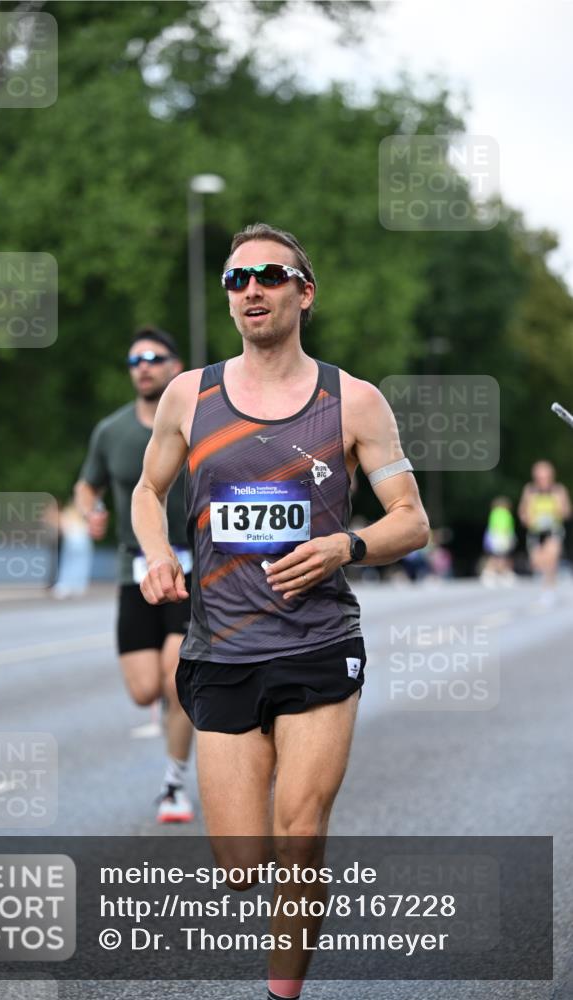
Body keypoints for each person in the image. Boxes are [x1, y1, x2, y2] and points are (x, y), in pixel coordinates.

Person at [132, 223, 429, 999]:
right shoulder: (187, 396)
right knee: (240, 868)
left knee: (301, 837)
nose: (252, 289)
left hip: (316, 641)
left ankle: (281, 994)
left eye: (269, 275)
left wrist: (344, 549)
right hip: (221, 644)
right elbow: (146, 491)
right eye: (237, 279)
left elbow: (410, 519)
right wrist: (158, 553)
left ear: (305, 292)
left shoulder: (353, 401)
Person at [75, 327, 195, 823]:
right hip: (134, 567)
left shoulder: (198, 420)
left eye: (154, 357)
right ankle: (166, 705)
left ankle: (173, 785)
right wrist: (91, 509)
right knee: (145, 689)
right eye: (135, 359)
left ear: (175, 365)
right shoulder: (112, 430)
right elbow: (87, 484)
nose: (143, 365)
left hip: (192, 566)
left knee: (176, 679)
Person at [518, 460, 571, 601]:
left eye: (546, 477)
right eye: (540, 477)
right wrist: (527, 519)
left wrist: (560, 509)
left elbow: (567, 512)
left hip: (553, 529)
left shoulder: (558, 490)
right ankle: (545, 580)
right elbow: (522, 511)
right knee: (537, 561)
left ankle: (549, 589)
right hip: (535, 531)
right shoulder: (530, 490)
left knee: (551, 557)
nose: (543, 480)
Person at [481, 496, 516, 586]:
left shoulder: (494, 513)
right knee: (501, 556)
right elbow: (508, 528)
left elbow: (491, 527)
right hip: (501, 537)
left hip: (495, 537)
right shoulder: (505, 514)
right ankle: (496, 574)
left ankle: (493, 574)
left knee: (496, 556)